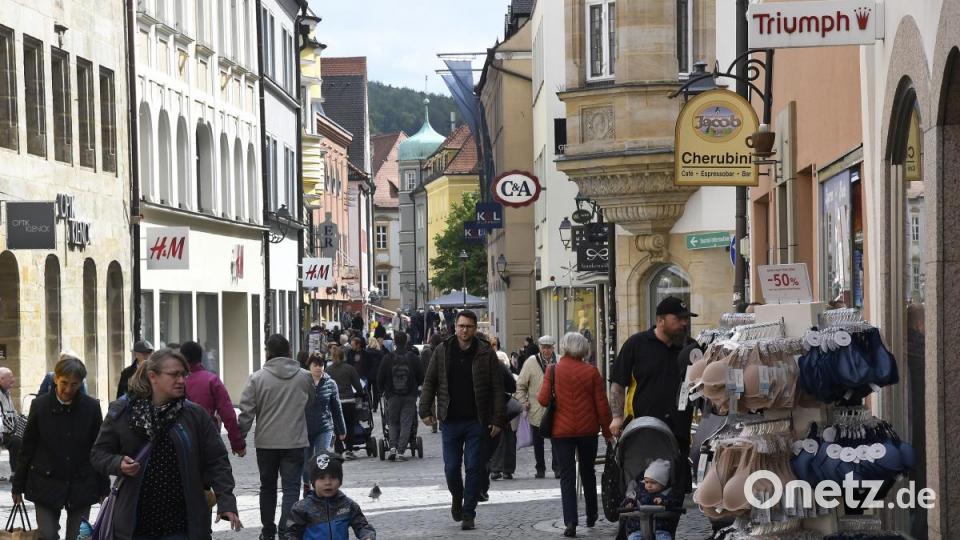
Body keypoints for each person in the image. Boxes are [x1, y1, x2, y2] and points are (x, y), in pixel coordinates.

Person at [91, 348, 242, 539]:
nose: (181, 380)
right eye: (174, 375)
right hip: (135, 524)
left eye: (183, 375)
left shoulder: (194, 415)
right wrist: (118, 463)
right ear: (153, 376)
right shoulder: (123, 411)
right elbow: (98, 454)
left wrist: (226, 502)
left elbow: (217, 460)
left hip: (181, 524)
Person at [419, 310, 506, 531]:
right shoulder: (443, 350)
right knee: (451, 467)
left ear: (475, 328)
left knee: (474, 467)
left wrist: (497, 419)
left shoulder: (486, 352)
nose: (464, 330)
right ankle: (457, 497)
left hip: (477, 420)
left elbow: (497, 388)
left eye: (468, 326)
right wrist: (425, 410)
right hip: (450, 419)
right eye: (461, 326)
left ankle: (469, 513)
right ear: (454, 327)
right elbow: (430, 381)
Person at [13, 355, 108, 540]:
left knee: (77, 536)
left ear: (81, 383)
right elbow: (28, 447)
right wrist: (18, 486)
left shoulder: (91, 408)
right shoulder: (40, 406)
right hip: (45, 479)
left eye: (74, 384)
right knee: (47, 535)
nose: (68, 389)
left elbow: (99, 449)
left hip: (81, 481)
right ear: (55, 379)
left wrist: (104, 488)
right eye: (64, 382)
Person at [238, 334, 315, 540]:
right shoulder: (304, 376)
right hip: (295, 441)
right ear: (289, 351)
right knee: (291, 488)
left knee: (268, 488)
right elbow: (310, 402)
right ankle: (286, 530)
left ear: (268, 352)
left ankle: (268, 531)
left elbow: (247, 411)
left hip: (267, 443)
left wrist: (240, 439)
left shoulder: (257, 378)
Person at [537, 332, 613, 538]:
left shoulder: (552, 370)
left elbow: (543, 400)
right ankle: (591, 513)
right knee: (588, 472)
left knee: (567, 477)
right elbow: (602, 406)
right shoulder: (591, 372)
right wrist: (607, 432)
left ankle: (570, 522)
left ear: (564, 347)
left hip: (561, 432)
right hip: (588, 431)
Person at [287, 452, 376, 539]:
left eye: (333, 477)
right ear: (313, 482)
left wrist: (367, 536)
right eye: (321, 478)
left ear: (340, 481)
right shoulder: (301, 508)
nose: (328, 482)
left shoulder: (347, 505)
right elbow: (292, 533)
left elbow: (362, 526)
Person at [181, 341, 246, 457]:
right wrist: (237, 444)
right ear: (200, 358)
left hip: (181, 438)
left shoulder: (175, 381)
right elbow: (228, 414)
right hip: (209, 436)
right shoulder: (211, 380)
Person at [515, 335, 559, 479]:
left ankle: (557, 467)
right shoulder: (531, 362)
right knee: (538, 441)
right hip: (536, 407)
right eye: (544, 347)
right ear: (540, 347)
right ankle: (540, 467)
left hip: (556, 408)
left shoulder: (559, 360)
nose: (546, 350)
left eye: (549, 347)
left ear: (554, 347)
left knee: (556, 439)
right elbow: (521, 385)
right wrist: (522, 401)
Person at [303, 353, 347, 495]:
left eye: (321, 365)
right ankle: (306, 485)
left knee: (322, 457)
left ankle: (319, 488)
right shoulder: (302, 382)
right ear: (309, 366)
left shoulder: (330, 383)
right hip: (305, 428)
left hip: (324, 427)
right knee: (306, 461)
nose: (318, 368)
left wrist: (341, 429)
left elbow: (336, 408)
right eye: (315, 365)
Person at [376, 331, 423, 462]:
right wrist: (415, 386)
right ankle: (401, 451)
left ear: (395, 342)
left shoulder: (388, 358)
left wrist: (382, 390)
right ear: (406, 341)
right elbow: (421, 376)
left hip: (392, 395)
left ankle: (392, 448)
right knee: (406, 422)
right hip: (410, 395)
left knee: (392, 421)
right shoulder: (413, 357)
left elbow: (380, 376)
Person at [621, 459, 684, 540]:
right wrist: (629, 503)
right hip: (637, 528)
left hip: (661, 529)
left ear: (663, 483)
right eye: (646, 482)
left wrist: (664, 501)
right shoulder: (639, 491)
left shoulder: (668, 493)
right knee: (633, 538)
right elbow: (630, 498)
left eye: (653, 483)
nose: (648, 485)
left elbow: (675, 503)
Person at [326, 344, 365, 459]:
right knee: (349, 425)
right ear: (344, 357)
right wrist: (360, 393)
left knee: (337, 427)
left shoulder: (328, 370)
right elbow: (358, 386)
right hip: (349, 401)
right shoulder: (349, 369)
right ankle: (349, 449)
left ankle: (338, 450)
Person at [488, 336, 517, 481]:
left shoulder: (475, 364)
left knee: (493, 437)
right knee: (508, 437)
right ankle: (507, 469)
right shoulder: (499, 365)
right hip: (502, 405)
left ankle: (495, 468)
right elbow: (512, 385)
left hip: (486, 408)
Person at [0, 367, 21, 472]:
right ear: (1, 379)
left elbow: (12, 412)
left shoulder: (6, 392)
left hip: (7, 433)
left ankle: (15, 473)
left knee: (18, 441)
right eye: (10, 378)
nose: (13, 380)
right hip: (2, 432)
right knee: (16, 441)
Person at [365, 338, 384, 410]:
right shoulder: (380, 352)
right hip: (377, 373)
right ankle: (375, 406)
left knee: (368, 390)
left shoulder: (366, 352)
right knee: (376, 391)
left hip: (368, 373)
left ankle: (370, 404)